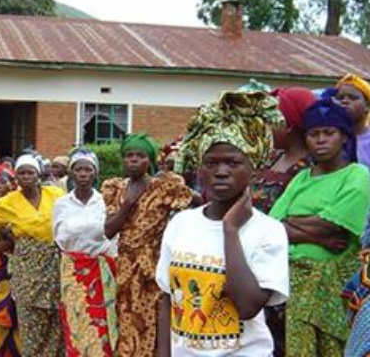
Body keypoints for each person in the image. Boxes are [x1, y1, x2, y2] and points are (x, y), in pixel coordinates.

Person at [156, 89, 290, 356]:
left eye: (233, 162)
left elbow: (248, 306)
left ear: (253, 168)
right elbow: (167, 299)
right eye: (211, 163)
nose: (220, 172)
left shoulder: (268, 232)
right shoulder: (182, 223)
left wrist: (230, 231)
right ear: (199, 168)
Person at [270, 97, 370, 355]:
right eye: (314, 134)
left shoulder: (357, 175)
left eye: (329, 133)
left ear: (344, 137)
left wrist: (294, 223)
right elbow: (271, 227)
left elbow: (332, 227)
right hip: (296, 285)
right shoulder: (302, 177)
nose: (321, 140)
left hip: (336, 288)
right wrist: (318, 238)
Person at [102, 133, 192, 356]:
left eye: (140, 155)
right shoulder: (116, 188)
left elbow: (197, 201)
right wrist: (127, 205)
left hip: (153, 265)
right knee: (126, 318)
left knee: (153, 318)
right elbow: (108, 231)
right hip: (125, 265)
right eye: (129, 155)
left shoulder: (163, 187)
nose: (133, 159)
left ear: (149, 160)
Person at [250, 87, 316, 356]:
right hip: (254, 263)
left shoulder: (311, 167)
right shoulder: (271, 158)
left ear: (290, 125)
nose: (266, 127)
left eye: (273, 120)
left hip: (287, 273)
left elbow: (313, 225)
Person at [0, 154, 65, 356]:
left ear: (38, 174)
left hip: (54, 265)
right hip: (27, 267)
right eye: (21, 173)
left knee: (56, 317)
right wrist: (8, 240)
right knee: (30, 320)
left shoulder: (56, 194)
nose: (26, 176)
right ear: (16, 177)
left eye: (30, 172)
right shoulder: (8, 202)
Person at [54, 149, 118, 356]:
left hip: (100, 273)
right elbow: (57, 237)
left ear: (95, 173)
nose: (83, 174)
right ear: (71, 174)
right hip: (72, 273)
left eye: (88, 169)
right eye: (78, 169)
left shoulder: (104, 202)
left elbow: (113, 236)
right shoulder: (61, 204)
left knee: (102, 323)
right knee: (75, 321)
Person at [0, 164, 21, 357]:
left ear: (12, 184)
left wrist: (8, 242)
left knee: (15, 309)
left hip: (17, 265)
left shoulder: (19, 205)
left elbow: (26, 234)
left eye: (3, 181)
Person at [332, 74, 370, 167]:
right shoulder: (328, 138)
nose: (345, 101)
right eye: (340, 98)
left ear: (367, 106)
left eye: (353, 98)